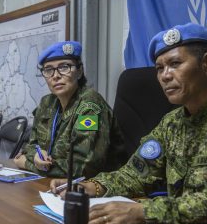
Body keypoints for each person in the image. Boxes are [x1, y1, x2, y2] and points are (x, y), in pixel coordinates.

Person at [50, 23, 207, 224]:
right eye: (159, 68)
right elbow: (136, 173)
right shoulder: (172, 122)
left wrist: (143, 212)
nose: (165, 76)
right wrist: (92, 186)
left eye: (175, 64)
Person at [14, 41, 127, 178]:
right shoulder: (47, 103)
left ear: (79, 72)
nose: (55, 75)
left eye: (64, 67)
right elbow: (30, 146)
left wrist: (28, 164)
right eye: (48, 70)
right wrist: (37, 155)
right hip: (52, 182)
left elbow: (83, 167)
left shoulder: (90, 105)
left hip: (95, 189)